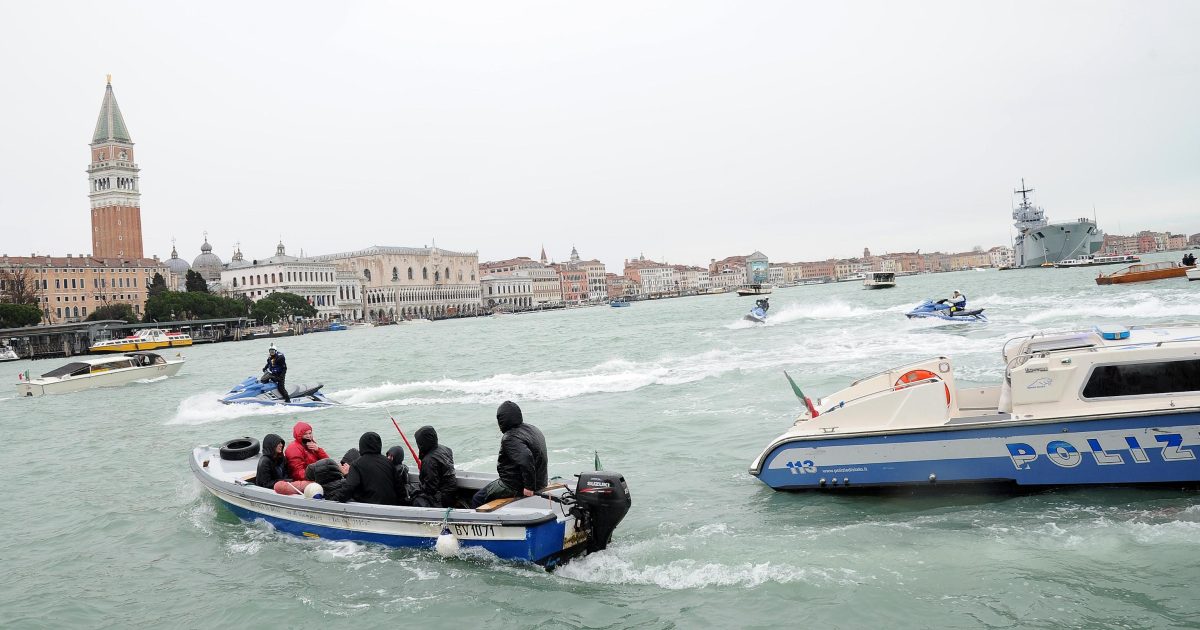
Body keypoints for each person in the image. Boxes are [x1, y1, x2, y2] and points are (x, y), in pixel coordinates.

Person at [470, 401, 548, 508]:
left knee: (477, 498)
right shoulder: (533, 429)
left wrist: (528, 487)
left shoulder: (510, 437)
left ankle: (483, 523)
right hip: (541, 483)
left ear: (501, 420)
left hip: (514, 485)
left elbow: (526, 458)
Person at [335, 432, 399, 505]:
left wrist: (337, 499)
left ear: (361, 445)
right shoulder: (388, 462)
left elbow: (350, 487)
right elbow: (399, 486)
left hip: (371, 506)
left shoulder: (356, 464)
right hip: (392, 504)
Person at [410, 425, 457, 508]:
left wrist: (416, 491)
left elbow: (430, 488)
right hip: (451, 492)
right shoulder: (445, 449)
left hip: (441, 497)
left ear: (423, 443)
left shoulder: (429, 460)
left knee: (414, 497)